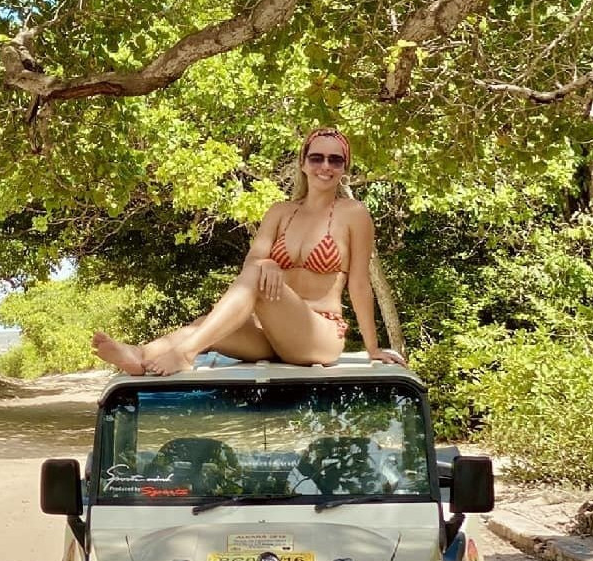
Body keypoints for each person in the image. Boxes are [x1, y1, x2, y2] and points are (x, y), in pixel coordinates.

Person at [92, 128, 406, 375]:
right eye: (317, 158)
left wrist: (373, 348)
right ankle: (140, 355)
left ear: (344, 168)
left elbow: (360, 284)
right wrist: (268, 263)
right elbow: (253, 263)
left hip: (319, 334)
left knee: (252, 279)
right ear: (303, 163)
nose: (325, 166)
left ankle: (186, 355)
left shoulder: (354, 213)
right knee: (208, 323)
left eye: (335, 160)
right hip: (269, 334)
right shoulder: (280, 211)